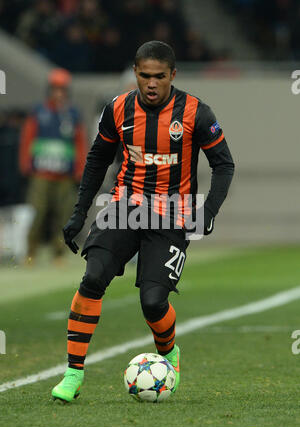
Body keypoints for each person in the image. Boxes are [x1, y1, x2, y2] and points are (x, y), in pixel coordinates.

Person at [51, 41, 235, 402]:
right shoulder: (117, 109)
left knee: (152, 302)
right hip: (124, 208)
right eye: (145, 76)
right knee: (92, 277)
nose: (152, 84)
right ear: (135, 72)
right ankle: (72, 374)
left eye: (160, 77)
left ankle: (169, 353)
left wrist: (208, 212)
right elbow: (97, 159)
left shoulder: (196, 112)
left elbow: (224, 164)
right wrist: (79, 213)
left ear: (173, 75)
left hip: (172, 216)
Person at [19, 68, 88, 265]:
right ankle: (30, 252)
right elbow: (27, 138)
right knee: (37, 213)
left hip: (65, 175)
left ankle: (59, 253)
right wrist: (25, 164)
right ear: (50, 90)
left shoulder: (73, 114)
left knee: (64, 214)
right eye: (55, 89)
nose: (59, 93)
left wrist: (80, 168)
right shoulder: (38, 112)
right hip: (41, 173)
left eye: (62, 89)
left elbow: (80, 142)